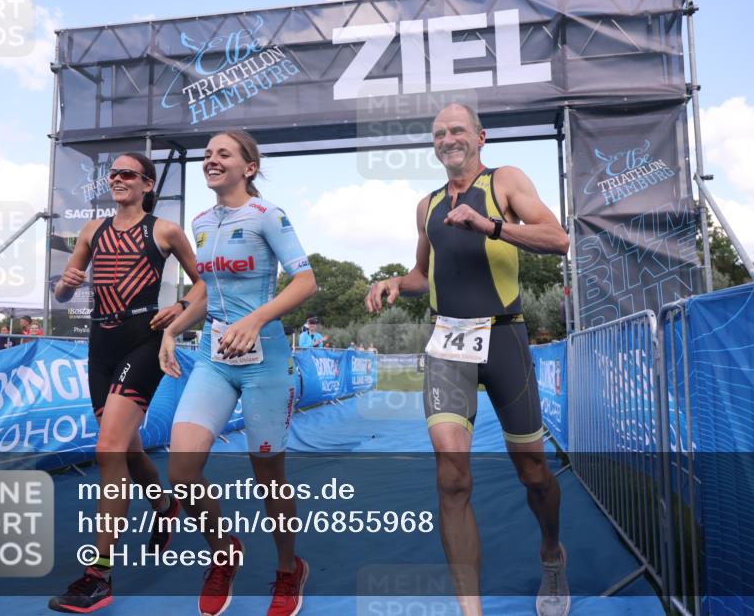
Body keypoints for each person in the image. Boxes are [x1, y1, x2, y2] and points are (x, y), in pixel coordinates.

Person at [365, 104, 572, 616]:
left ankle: (551, 552)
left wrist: (490, 225)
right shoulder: (427, 205)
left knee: (533, 473)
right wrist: (395, 282)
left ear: (480, 137)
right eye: (438, 133)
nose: (447, 139)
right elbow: (422, 275)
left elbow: (558, 239)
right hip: (447, 343)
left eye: (457, 130)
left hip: (504, 338)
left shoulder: (505, 181)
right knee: (452, 476)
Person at [160, 129, 316, 616]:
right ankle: (224, 549)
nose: (211, 160)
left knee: (268, 477)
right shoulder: (201, 222)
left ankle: (289, 569)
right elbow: (208, 289)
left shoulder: (268, 214)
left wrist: (255, 320)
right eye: (207, 154)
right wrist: (174, 330)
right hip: (214, 359)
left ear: (248, 167)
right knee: (182, 471)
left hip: (265, 361)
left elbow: (306, 281)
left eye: (222, 154)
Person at [49, 151, 203, 613]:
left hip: (144, 338)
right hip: (101, 343)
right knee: (128, 451)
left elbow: (204, 284)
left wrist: (180, 307)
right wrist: (66, 283)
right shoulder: (92, 230)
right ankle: (165, 506)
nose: (117, 179)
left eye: (127, 174)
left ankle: (98, 574)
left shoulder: (165, 230)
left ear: (147, 184)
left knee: (109, 449)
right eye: (113, 173)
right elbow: (63, 292)